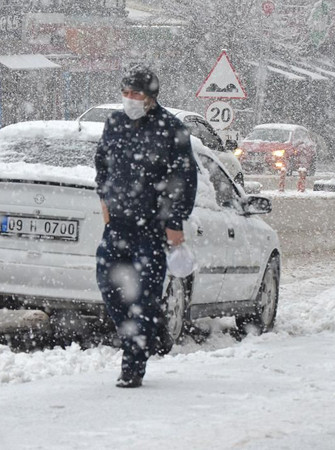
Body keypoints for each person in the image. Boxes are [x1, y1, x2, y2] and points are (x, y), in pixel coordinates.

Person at [94, 65, 198, 388]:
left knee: (144, 295)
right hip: (118, 224)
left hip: (152, 228)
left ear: (151, 97)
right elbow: (102, 163)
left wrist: (174, 222)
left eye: (136, 94)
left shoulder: (171, 129)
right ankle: (142, 333)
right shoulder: (114, 123)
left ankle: (133, 365)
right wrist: (104, 197)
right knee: (109, 285)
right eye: (125, 93)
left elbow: (183, 180)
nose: (130, 99)